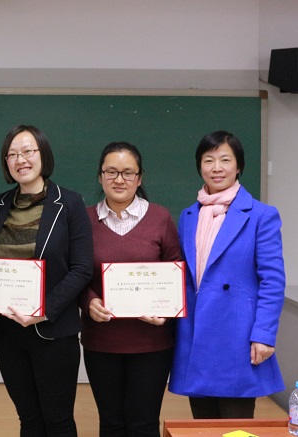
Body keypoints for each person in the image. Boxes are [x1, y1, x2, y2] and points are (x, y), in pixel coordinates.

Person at [0, 124, 93, 437]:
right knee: (28, 419)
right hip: (8, 333)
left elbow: (82, 268)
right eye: (12, 154)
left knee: (58, 421)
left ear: (43, 155)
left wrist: (43, 310)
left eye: (28, 151)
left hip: (52, 331)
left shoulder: (70, 203)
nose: (20, 160)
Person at [169, 130, 286, 419]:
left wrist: (264, 335)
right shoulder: (188, 216)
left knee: (236, 427)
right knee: (203, 425)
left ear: (239, 166)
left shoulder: (261, 215)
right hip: (196, 333)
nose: (216, 168)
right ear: (200, 166)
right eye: (208, 160)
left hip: (238, 335)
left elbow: (273, 281)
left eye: (225, 159)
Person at [80, 141, 181, 437]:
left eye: (127, 172)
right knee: (111, 422)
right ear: (100, 177)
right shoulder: (83, 220)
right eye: (111, 172)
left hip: (151, 342)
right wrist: (89, 301)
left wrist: (165, 310)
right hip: (101, 341)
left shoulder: (160, 218)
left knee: (143, 423)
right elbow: (75, 273)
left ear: (139, 178)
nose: (119, 179)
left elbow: (175, 273)